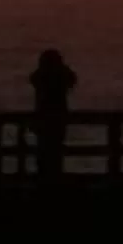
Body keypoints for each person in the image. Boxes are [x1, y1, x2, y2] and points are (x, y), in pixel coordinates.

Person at [30, 47, 79, 181]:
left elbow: (33, 79)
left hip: (45, 119)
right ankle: (54, 178)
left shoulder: (42, 76)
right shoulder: (61, 77)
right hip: (57, 119)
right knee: (55, 151)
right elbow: (72, 79)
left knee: (44, 151)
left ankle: (45, 179)